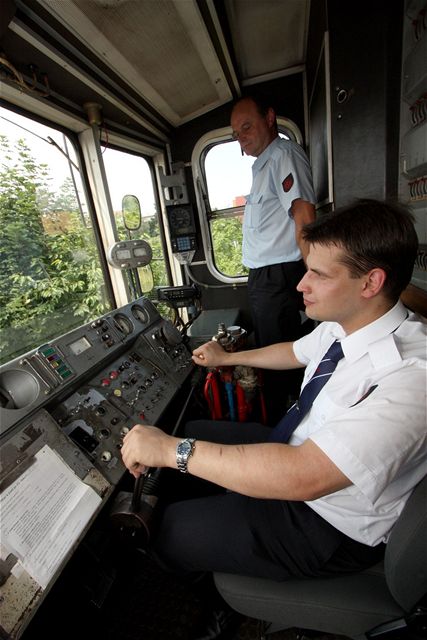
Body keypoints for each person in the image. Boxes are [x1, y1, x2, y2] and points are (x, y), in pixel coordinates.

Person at [121, 199, 426, 638]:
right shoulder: (348, 322)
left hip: (327, 523)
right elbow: (295, 352)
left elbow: (306, 477)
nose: (301, 284)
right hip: (298, 449)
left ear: (370, 282)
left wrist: (172, 452)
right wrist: (229, 356)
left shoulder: (411, 376)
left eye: (318, 274)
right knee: (191, 431)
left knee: (167, 532)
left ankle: (213, 610)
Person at [230, 96, 316, 422]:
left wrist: (315, 274)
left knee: (281, 363)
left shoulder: (282, 154)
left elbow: (304, 216)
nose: (242, 138)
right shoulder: (265, 163)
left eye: (247, 127)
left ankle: (287, 431)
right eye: (237, 133)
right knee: (273, 358)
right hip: (269, 278)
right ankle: (282, 422)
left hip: (280, 276)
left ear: (269, 117)